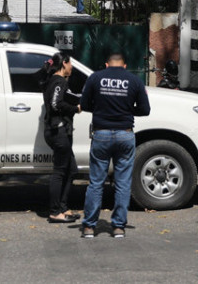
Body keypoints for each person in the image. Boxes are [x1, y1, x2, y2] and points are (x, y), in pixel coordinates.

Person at [79, 52, 150, 239]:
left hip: (101, 134)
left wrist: (101, 109)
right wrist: (128, 109)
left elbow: (84, 104)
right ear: (124, 66)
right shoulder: (134, 80)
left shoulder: (96, 77)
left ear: (107, 64)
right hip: (125, 134)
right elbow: (145, 109)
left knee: (96, 182)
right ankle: (118, 227)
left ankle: (89, 227)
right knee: (123, 183)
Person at [40, 52, 81, 224]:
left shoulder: (52, 81)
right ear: (64, 63)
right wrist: (75, 108)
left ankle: (63, 208)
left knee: (71, 171)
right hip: (59, 132)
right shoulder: (59, 81)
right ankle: (55, 211)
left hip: (56, 131)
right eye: (71, 63)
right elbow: (56, 104)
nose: (72, 67)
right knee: (59, 171)